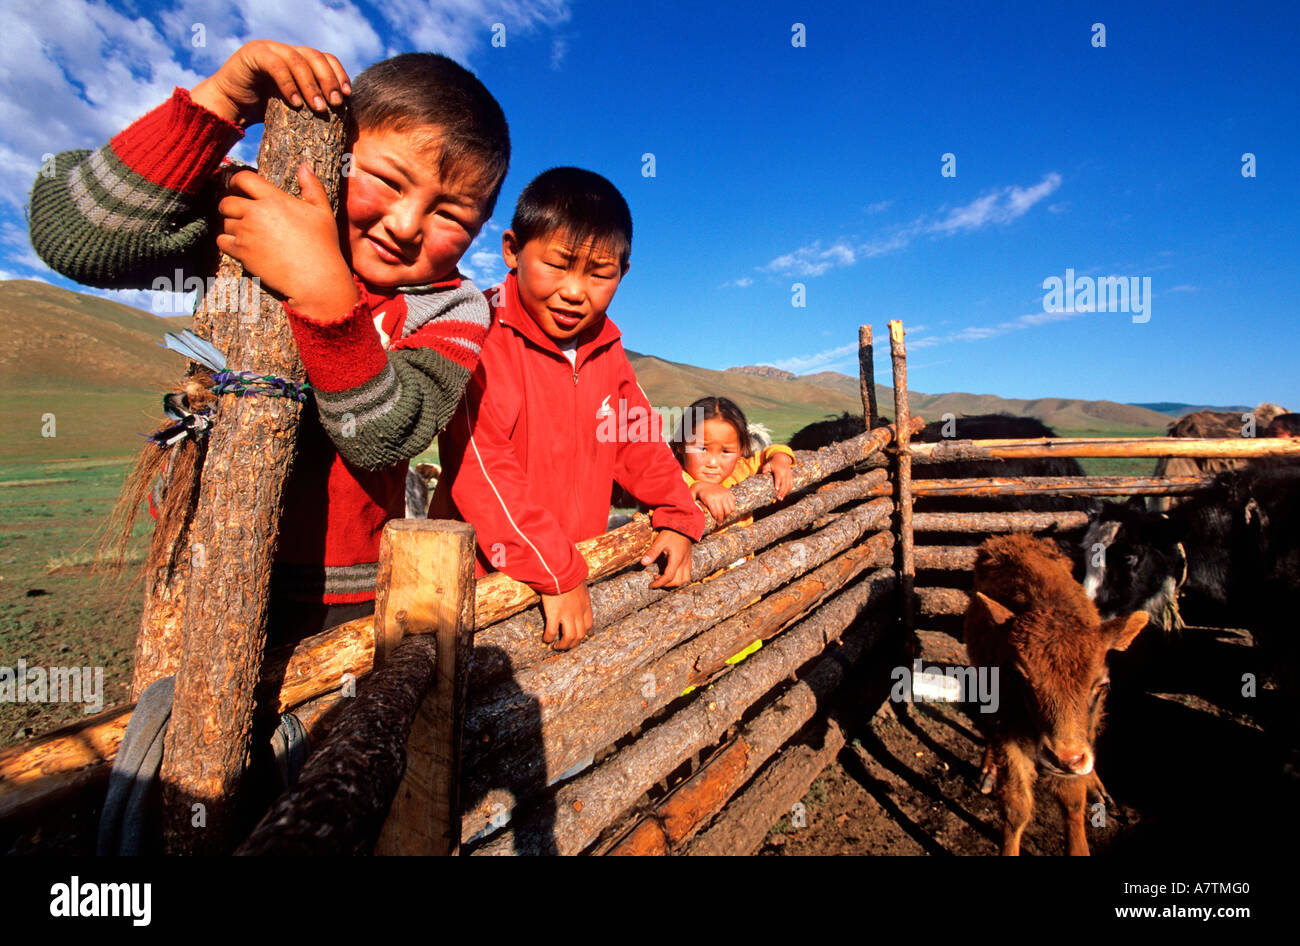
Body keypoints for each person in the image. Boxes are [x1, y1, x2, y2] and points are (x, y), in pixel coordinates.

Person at [28, 40, 511, 641]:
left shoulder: (452, 306)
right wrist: (218, 102)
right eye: (387, 180)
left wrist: (326, 293)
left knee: (317, 726)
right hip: (194, 553)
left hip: (339, 588)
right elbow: (72, 236)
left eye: (452, 217)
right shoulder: (258, 214)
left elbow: (387, 437)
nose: (407, 226)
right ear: (336, 153)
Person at [431, 167, 704, 651]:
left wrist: (677, 512)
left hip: (572, 572)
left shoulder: (607, 346)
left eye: (600, 274)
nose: (576, 291)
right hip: (481, 583)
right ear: (513, 250)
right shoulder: (479, 331)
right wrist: (552, 566)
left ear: (623, 271)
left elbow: (638, 439)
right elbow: (480, 465)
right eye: (558, 265)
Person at [672, 396, 796, 528]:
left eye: (725, 451)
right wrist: (697, 487)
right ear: (681, 445)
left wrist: (781, 460)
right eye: (702, 449)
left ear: (740, 451)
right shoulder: (673, 477)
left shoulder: (740, 469)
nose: (713, 463)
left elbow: (773, 450)